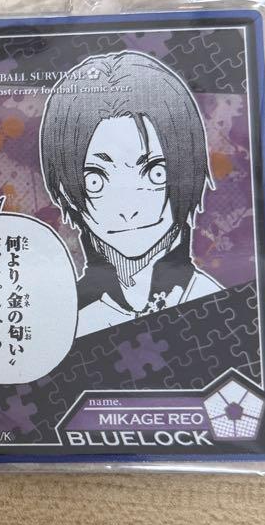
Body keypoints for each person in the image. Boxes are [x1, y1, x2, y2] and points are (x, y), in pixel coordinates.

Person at [39, 51, 220, 337]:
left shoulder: (215, 304)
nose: (128, 208)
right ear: (65, 189)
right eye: (95, 180)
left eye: (155, 172)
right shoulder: (63, 324)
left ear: (188, 167)